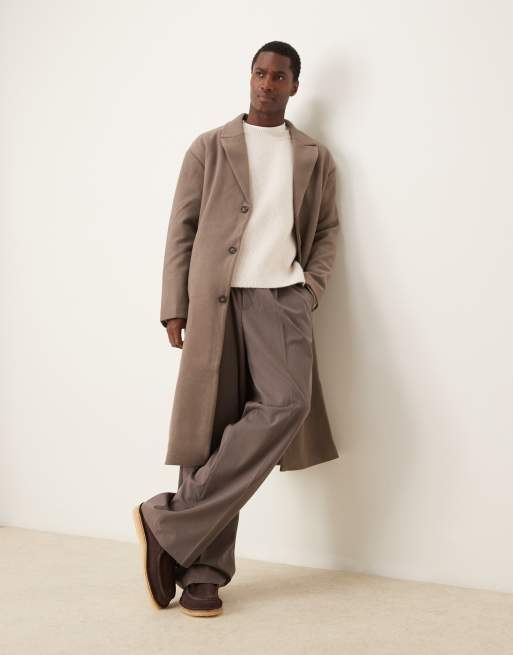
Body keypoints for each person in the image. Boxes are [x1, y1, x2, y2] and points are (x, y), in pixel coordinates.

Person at [133, 40, 340, 618]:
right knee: (212, 427)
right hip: (215, 301)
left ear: (295, 86)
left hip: (282, 300)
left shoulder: (314, 155)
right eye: (259, 73)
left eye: (279, 76)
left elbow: (326, 231)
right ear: (250, 77)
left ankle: (170, 521)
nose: (267, 84)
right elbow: (182, 228)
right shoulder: (210, 146)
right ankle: (203, 573)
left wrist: (310, 288)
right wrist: (175, 304)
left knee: (288, 404)